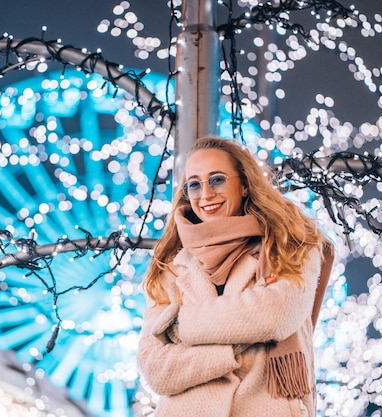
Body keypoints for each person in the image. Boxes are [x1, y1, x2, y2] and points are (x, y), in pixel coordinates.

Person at [137, 136, 334, 416]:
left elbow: (275, 315)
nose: (205, 194)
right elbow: (157, 370)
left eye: (216, 179)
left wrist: (179, 325)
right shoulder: (170, 266)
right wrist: (231, 350)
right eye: (194, 184)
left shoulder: (291, 245)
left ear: (244, 185)